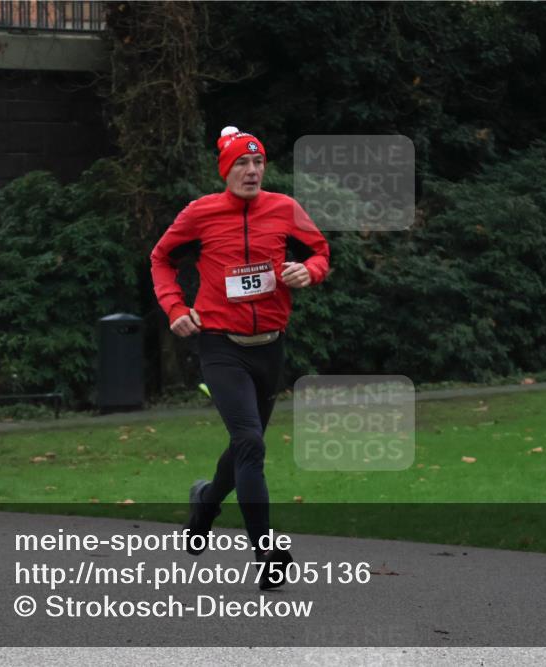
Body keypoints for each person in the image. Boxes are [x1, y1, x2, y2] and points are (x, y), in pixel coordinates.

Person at [149, 127, 331, 589]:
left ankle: (204, 506)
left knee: (242, 446)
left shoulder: (285, 209)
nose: (251, 171)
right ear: (225, 170)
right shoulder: (201, 214)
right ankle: (268, 554)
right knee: (251, 443)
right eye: (240, 165)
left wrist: (307, 271)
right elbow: (161, 258)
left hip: (270, 346)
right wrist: (174, 307)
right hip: (220, 345)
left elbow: (321, 252)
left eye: (258, 163)